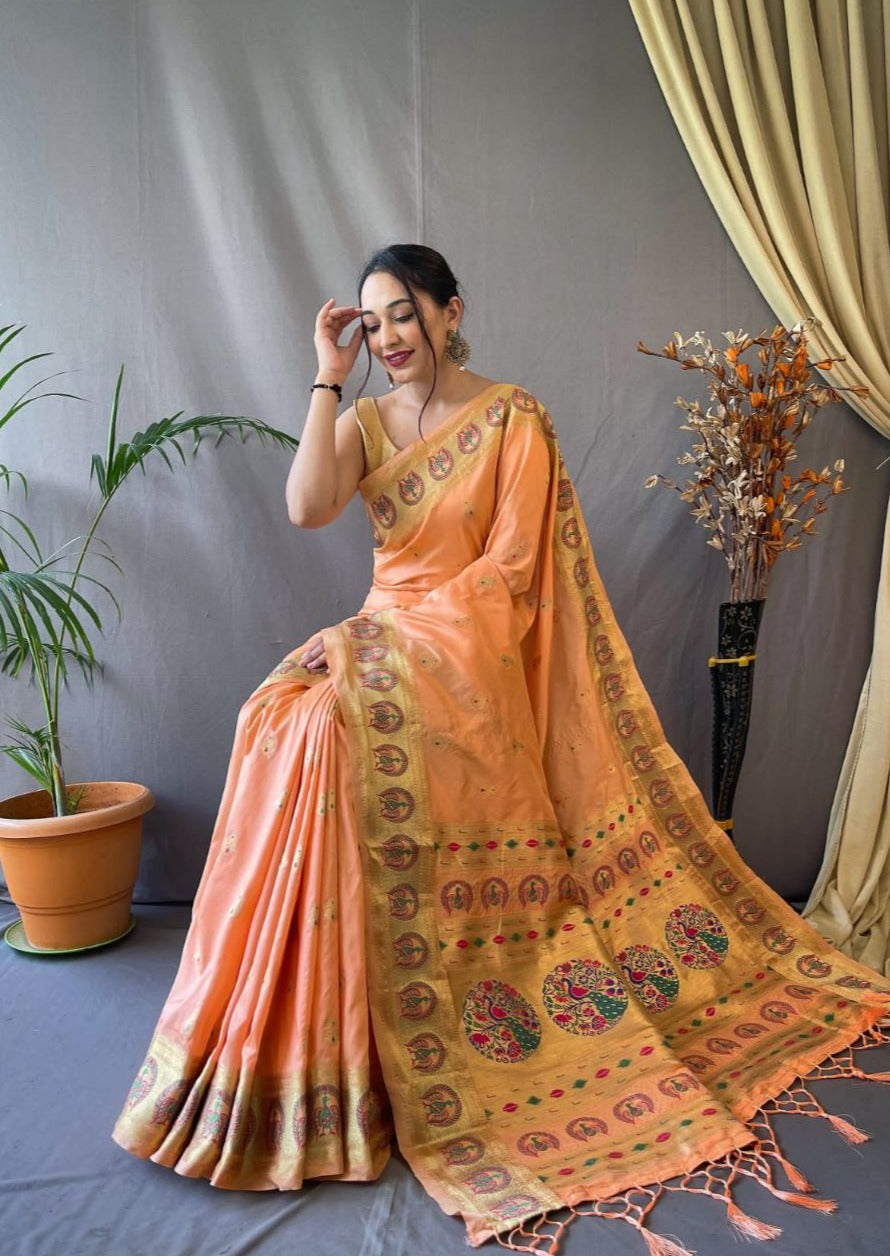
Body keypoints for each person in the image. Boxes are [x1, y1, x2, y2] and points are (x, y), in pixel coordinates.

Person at [113, 245, 890, 1255]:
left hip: (469, 656)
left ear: (450, 311)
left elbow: (513, 573)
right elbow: (306, 507)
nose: (389, 337)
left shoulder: (512, 418)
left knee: (327, 717)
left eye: (404, 314)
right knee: (285, 722)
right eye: (371, 322)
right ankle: (315, 1043)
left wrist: (389, 646)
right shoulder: (363, 421)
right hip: (386, 647)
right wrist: (325, 375)